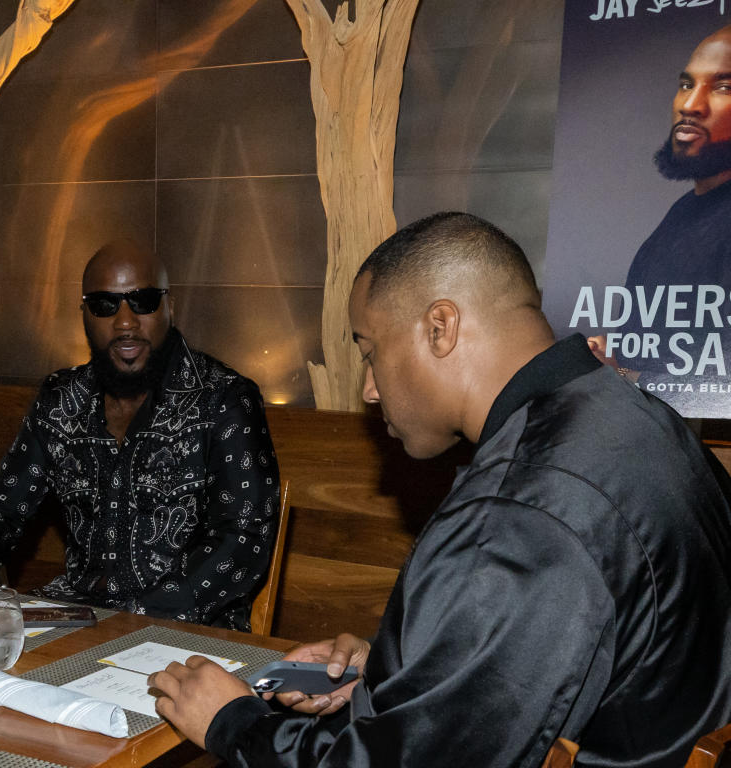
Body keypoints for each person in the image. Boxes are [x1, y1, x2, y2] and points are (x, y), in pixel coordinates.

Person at [148, 213, 731, 766]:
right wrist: (388, 675)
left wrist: (235, 722)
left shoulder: (519, 513)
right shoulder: (637, 418)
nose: (371, 389)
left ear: (440, 326)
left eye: (369, 351)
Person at [0, 240, 280, 631]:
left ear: (171, 306)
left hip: (187, 631)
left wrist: (136, 618)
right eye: (105, 305)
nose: (125, 322)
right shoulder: (59, 399)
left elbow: (244, 539)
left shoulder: (223, 399)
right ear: (84, 314)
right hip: (73, 615)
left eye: (143, 301)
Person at [591, 25, 731, 378]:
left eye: (723, 87)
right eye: (686, 85)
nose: (690, 105)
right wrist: (615, 353)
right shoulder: (686, 209)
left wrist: (626, 376)